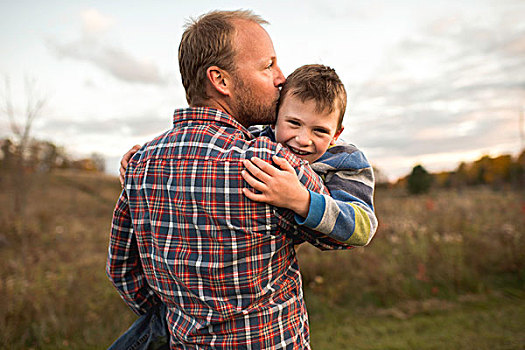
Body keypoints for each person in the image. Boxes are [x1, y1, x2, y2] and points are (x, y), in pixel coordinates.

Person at [107, 10, 366, 349]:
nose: (281, 78)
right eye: (267, 65)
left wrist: (182, 316)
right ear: (221, 80)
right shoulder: (271, 165)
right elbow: (342, 237)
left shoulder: (141, 163)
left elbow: (123, 271)